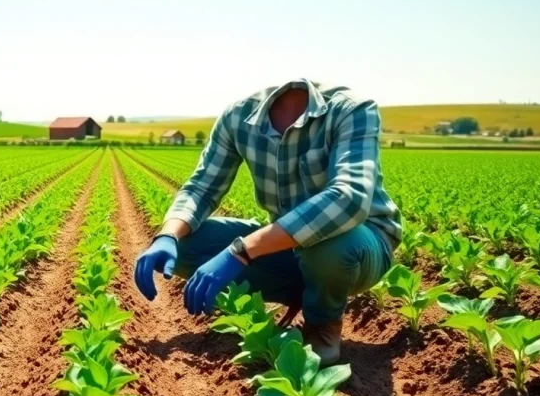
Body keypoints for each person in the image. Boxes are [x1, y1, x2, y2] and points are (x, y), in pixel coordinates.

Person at [134, 79, 402, 365]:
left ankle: (322, 327)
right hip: (289, 248)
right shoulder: (238, 118)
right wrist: (168, 236)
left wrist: (241, 250)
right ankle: (300, 292)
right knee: (186, 245)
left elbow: (348, 199)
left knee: (331, 245)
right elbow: (202, 188)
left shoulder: (350, 110)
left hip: (358, 243)